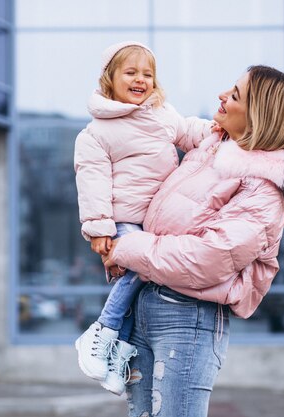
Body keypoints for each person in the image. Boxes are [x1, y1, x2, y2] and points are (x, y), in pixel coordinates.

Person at [103, 65, 284, 417]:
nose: (222, 96)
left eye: (236, 94)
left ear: (261, 116)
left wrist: (127, 248)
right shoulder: (209, 152)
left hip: (187, 318)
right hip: (148, 303)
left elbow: (208, 259)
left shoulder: (264, 190)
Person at [73, 41, 213, 395]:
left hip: (158, 220)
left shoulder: (162, 114)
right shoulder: (97, 132)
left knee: (143, 284)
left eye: (147, 74)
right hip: (125, 220)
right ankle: (102, 330)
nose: (140, 80)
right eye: (131, 72)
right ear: (110, 79)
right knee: (140, 267)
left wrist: (219, 133)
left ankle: (118, 351)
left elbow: (189, 131)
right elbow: (92, 179)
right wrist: (100, 227)